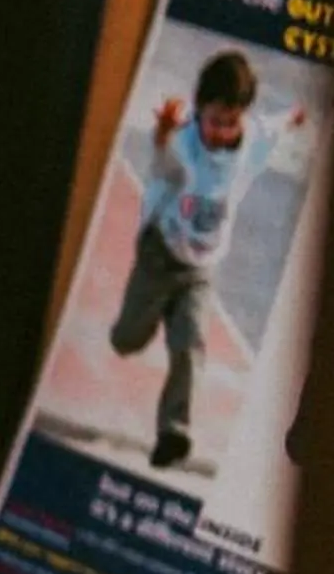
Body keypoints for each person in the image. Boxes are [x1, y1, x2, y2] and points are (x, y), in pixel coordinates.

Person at [111, 49, 304, 470]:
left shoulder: (252, 136)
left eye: (230, 122)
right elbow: (163, 167)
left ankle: (173, 432)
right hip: (160, 254)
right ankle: (146, 318)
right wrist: (162, 136)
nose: (219, 131)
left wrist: (297, 116)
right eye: (213, 121)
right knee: (126, 340)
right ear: (198, 110)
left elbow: (278, 122)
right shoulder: (184, 140)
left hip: (200, 267)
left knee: (190, 344)